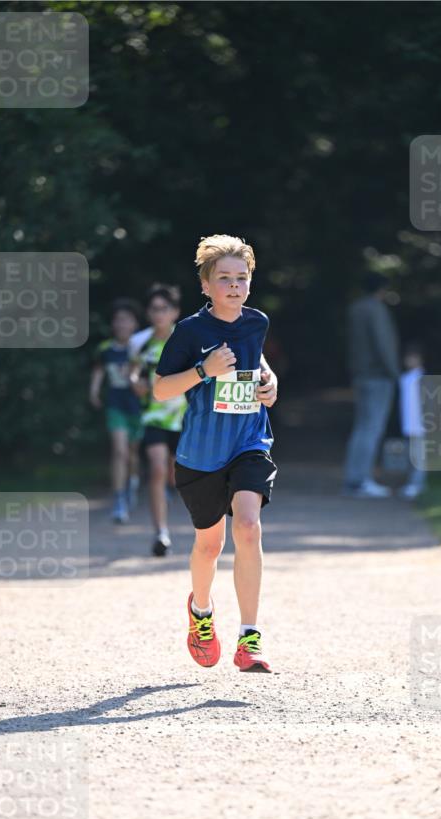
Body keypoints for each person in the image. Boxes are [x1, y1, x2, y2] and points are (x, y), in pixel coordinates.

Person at [153, 234, 279, 672]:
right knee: (210, 545)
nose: (234, 285)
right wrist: (204, 370)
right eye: (223, 278)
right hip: (201, 453)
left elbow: (258, 361)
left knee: (248, 526)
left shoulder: (256, 321)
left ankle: (250, 638)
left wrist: (270, 382)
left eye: (241, 278)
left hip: (249, 440)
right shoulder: (190, 331)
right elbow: (160, 387)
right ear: (205, 285)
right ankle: (201, 615)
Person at [130, 285, 186, 556]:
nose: (159, 314)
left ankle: (172, 494)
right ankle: (161, 531)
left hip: (185, 417)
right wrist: (136, 384)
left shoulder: (186, 338)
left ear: (175, 312)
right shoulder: (140, 342)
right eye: (154, 309)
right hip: (153, 416)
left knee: (177, 474)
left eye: (164, 308)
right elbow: (134, 373)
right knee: (156, 469)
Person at [342, 274, 400, 498]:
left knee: (361, 428)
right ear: (382, 289)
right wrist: (395, 374)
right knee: (372, 428)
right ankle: (361, 480)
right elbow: (383, 345)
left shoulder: (355, 309)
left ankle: (354, 479)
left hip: (360, 375)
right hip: (378, 376)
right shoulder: (376, 310)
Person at [89, 298, 143, 523]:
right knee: (119, 451)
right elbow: (99, 371)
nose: (122, 324)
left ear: (134, 324)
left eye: (126, 320)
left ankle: (133, 481)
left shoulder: (141, 348)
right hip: (115, 406)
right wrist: (93, 391)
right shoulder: (105, 349)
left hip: (138, 407)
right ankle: (119, 499)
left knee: (131, 453)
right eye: (118, 320)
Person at [398, 344, 427, 499]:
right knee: (411, 456)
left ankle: (417, 484)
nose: (409, 361)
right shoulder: (404, 379)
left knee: (419, 456)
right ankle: (412, 483)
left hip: (420, 425)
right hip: (409, 424)